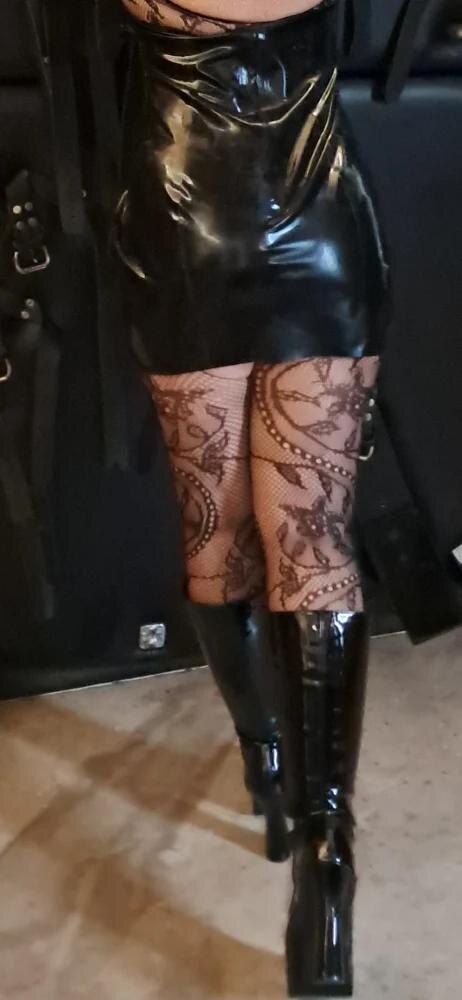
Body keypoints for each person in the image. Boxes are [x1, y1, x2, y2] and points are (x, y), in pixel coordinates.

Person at [115, 0, 389, 993]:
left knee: (215, 529)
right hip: (321, 213)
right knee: (312, 535)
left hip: (182, 217)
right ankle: (326, 846)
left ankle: (264, 753)